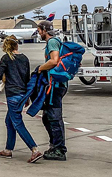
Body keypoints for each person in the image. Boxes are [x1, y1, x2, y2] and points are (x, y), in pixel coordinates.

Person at [0, 35, 43, 163]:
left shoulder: (6, 58)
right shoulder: (24, 58)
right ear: (17, 45)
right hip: (22, 94)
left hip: (12, 95)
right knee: (9, 122)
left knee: (18, 123)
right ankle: (8, 150)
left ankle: (34, 149)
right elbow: (26, 79)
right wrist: (27, 97)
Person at [36, 20, 68, 161]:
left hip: (55, 85)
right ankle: (54, 145)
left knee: (54, 117)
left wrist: (40, 68)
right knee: (47, 117)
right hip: (55, 84)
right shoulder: (55, 41)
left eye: (39, 31)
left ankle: (59, 149)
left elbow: (54, 61)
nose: (39, 33)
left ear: (44, 30)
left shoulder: (52, 42)